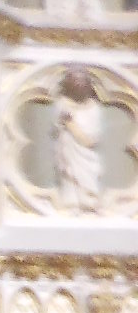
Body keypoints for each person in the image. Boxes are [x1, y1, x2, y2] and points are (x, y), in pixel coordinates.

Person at [53, 67, 103, 215]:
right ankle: (72, 203)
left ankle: (89, 201)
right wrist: (67, 122)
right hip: (69, 148)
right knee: (70, 174)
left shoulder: (94, 106)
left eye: (82, 81)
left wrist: (83, 135)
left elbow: (94, 131)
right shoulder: (62, 104)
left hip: (87, 151)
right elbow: (58, 123)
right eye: (75, 81)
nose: (79, 84)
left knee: (88, 173)